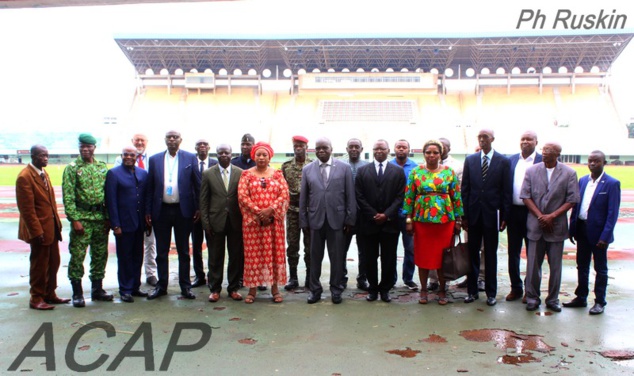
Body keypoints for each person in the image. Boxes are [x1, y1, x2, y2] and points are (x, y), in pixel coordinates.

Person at [521, 142, 579, 312]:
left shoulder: (569, 173)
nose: (544, 154)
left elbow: (572, 199)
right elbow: (525, 196)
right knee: (532, 265)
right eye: (543, 150)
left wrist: (552, 216)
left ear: (557, 154)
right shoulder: (532, 170)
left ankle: (553, 299)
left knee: (555, 266)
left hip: (556, 226)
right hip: (536, 225)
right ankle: (532, 297)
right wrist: (541, 216)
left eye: (548, 151)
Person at [403, 140, 463, 305]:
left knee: (442, 258)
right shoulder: (416, 172)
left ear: (441, 154)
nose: (431, 155)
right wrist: (409, 220)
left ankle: (442, 290)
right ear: (424, 154)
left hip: (444, 222)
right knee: (423, 256)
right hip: (422, 222)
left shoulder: (449, 172)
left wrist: (458, 220)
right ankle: (423, 289)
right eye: (428, 152)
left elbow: (456, 198)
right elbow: (409, 198)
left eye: (435, 152)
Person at [145, 130, 201, 300]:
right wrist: (148, 210)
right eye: (169, 137)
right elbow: (150, 187)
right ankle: (162, 286)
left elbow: (197, 184)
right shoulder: (154, 160)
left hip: (182, 210)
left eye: (175, 137)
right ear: (165, 140)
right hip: (161, 210)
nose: (171, 139)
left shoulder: (190, 158)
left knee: (184, 251)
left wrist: (198, 207)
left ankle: (185, 286)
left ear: (180, 140)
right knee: (161, 251)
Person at [300, 137, 356, 304]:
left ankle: (336, 289)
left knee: (337, 257)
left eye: (324, 148)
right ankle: (315, 290)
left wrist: (349, 219)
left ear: (332, 149)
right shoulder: (307, 170)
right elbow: (303, 198)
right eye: (318, 148)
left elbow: (350, 196)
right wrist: (304, 222)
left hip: (337, 220)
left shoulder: (344, 168)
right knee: (314, 257)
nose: (321, 151)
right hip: (315, 221)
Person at [565, 150, 620, 315]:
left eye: (596, 161)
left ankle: (599, 302)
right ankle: (581, 297)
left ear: (604, 163)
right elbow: (576, 206)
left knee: (600, 268)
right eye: (590, 161)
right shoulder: (582, 181)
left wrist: (606, 236)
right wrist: (572, 228)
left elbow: (612, 213)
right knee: (582, 265)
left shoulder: (611, 183)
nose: (592, 164)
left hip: (599, 233)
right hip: (582, 230)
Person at [461, 129, 511, 306]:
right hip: (473, 216)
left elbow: (506, 190)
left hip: (492, 215)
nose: (482, 140)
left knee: (490, 254)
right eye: (479, 138)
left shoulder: (503, 161)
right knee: (472, 253)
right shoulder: (471, 160)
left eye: (485, 138)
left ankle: (491, 292)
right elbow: (465, 189)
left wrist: (505, 215)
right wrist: (464, 215)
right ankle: (472, 291)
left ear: (492, 139)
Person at [16, 145, 69, 310]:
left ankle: (50, 293)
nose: (45, 159)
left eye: (47, 156)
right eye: (41, 156)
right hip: (39, 230)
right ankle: (36, 297)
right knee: (39, 264)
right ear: (32, 156)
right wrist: (36, 231)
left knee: (54, 261)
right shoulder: (25, 177)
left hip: (51, 228)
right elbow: (27, 209)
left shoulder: (43, 173)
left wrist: (56, 225)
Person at [62, 133, 112, 308]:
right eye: (82, 146)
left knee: (100, 255)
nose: (85, 149)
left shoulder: (101, 167)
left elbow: (108, 194)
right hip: (82, 218)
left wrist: (107, 218)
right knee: (77, 255)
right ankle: (77, 292)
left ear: (94, 148)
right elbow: (68, 196)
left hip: (99, 218)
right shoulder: (72, 168)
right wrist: (74, 219)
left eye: (88, 146)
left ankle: (97, 289)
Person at [237, 142, 289, 303]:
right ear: (253, 156)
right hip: (254, 224)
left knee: (274, 254)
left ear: (269, 157)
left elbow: (284, 195)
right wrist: (259, 213)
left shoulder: (277, 174)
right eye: (258, 154)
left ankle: (275, 289)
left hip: (273, 223)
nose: (261, 157)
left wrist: (271, 210)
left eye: (264, 155)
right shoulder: (246, 174)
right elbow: (242, 197)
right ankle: (252, 290)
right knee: (254, 256)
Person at [355, 140, 405, 303]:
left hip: (390, 223)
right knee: (369, 257)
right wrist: (373, 214)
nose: (379, 151)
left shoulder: (397, 172)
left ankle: (385, 289)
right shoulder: (363, 171)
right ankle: (373, 288)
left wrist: (387, 214)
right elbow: (359, 196)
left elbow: (400, 196)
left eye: (382, 148)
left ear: (388, 150)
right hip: (369, 223)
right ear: (372, 150)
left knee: (389, 258)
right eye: (376, 148)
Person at [200, 144, 244, 303]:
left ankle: (233, 288)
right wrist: (206, 223)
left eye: (227, 152)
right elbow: (203, 201)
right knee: (215, 257)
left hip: (235, 221)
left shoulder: (240, 173)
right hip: (215, 222)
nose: (224, 155)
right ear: (216, 155)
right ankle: (215, 289)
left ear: (232, 155)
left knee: (235, 257)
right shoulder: (208, 174)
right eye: (220, 153)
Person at [105, 146, 149, 303]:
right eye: (126, 155)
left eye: (132, 155)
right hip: (123, 224)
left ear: (137, 157)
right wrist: (115, 224)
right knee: (125, 257)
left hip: (139, 223)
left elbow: (145, 198)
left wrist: (147, 220)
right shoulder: (114, 174)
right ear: (121, 156)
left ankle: (135, 287)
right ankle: (125, 289)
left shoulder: (143, 173)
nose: (129, 157)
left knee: (138, 256)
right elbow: (111, 201)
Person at [114, 133, 158, 287]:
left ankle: (149, 274)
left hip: (145, 215)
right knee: (126, 254)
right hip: (126, 217)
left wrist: (149, 212)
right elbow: (114, 195)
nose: (139, 143)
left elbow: (150, 190)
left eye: (142, 140)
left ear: (147, 142)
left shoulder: (151, 161)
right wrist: (115, 222)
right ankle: (126, 286)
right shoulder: (117, 166)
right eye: (136, 140)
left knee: (148, 246)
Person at [505, 131, 542, 302]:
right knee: (513, 252)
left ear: (536, 141)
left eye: (529, 139)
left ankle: (531, 289)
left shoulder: (542, 160)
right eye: (523, 139)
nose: (525, 142)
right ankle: (516, 288)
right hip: (514, 212)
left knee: (533, 254)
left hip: (534, 213)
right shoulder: (511, 160)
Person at [428, 137, 464, 291]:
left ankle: (446, 281)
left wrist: (458, 218)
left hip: (447, 216)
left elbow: (459, 193)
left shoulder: (456, 167)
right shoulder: (423, 168)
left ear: (448, 149)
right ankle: (433, 280)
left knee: (446, 249)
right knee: (430, 248)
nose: (439, 150)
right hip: (428, 216)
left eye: (443, 147)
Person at [281, 135, 312, 290]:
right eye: (295, 146)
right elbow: (282, 190)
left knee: (310, 246)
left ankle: (309, 278)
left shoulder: (313, 165)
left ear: (307, 147)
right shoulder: (286, 166)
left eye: (301, 145)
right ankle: (293, 278)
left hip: (309, 211)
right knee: (292, 245)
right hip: (292, 211)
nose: (298, 148)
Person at [389, 139, 419, 291]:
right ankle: (391, 279)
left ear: (409, 149)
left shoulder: (415, 168)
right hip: (392, 215)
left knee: (410, 248)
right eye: (398, 147)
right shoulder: (388, 166)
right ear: (394, 149)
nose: (401, 149)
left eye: (404, 147)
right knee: (390, 248)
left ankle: (408, 278)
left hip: (409, 215)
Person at [340, 138, 370, 291]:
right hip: (344, 215)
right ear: (346, 149)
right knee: (341, 248)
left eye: (356, 147)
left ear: (361, 149)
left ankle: (362, 278)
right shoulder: (340, 165)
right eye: (350, 146)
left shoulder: (367, 166)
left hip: (362, 215)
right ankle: (342, 277)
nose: (353, 149)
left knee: (363, 249)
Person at [191, 139, 218, 288]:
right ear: (195, 147)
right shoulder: (190, 163)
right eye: (199, 144)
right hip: (195, 213)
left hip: (212, 212)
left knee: (212, 245)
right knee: (196, 245)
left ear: (209, 147)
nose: (202, 147)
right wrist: (197, 209)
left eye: (204, 145)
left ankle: (212, 276)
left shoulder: (215, 162)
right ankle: (199, 275)